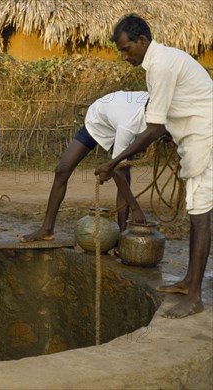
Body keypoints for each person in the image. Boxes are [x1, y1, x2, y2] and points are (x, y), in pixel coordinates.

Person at [96, 14, 212, 319]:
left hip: (205, 136)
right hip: (195, 137)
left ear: (142, 41)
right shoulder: (160, 62)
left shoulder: (160, 66)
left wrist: (114, 161)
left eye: (126, 49)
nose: (124, 56)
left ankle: (195, 297)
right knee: (195, 211)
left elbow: (154, 127)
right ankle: (189, 281)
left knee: (200, 215)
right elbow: (160, 126)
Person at [20, 90, 151, 243]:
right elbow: (116, 170)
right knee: (62, 170)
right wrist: (136, 209)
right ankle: (46, 229)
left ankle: (122, 238)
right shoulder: (129, 124)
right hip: (99, 120)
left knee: (124, 175)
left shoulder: (164, 106)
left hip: (122, 120)